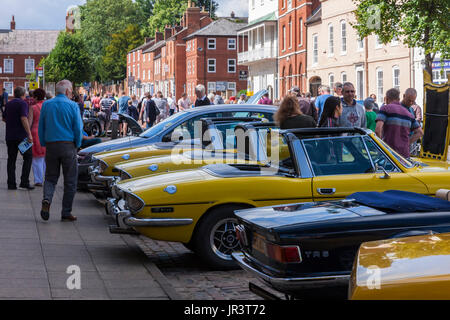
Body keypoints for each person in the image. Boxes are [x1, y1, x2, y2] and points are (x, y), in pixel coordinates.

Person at [38, 79, 83, 222]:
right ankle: (66, 212)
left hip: (51, 145)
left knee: (50, 178)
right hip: (68, 145)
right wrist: (78, 143)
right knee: (70, 180)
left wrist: (44, 142)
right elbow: (78, 128)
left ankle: (47, 199)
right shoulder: (73, 105)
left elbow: (41, 127)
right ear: (68, 91)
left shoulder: (46, 105)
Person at [375, 88, 423, 159]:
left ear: (386, 99)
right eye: (409, 100)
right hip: (404, 155)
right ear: (400, 98)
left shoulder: (385, 109)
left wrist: (382, 147)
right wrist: (406, 144)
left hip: (389, 154)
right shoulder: (409, 114)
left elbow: (377, 130)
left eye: (412, 101)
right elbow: (420, 132)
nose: (411, 103)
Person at [3, 86, 34, 190]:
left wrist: (12, 123)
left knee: (11, 159)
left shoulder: (8, 104)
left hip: (10, 136)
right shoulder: (23, 103)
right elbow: (24, 118)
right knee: (28, 157)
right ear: (23, 94)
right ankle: (24, 181)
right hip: (21, 137)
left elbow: (4, 118)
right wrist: (29, 134)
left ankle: (11, 184)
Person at [30, 88, 47, 187]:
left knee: (36, 159)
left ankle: (38, 180)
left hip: (35, 133)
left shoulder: (33, 107)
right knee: (45, 158)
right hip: (46, 132)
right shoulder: (47, 106)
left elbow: (29, 122)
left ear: (36, 97)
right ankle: (46, 178)